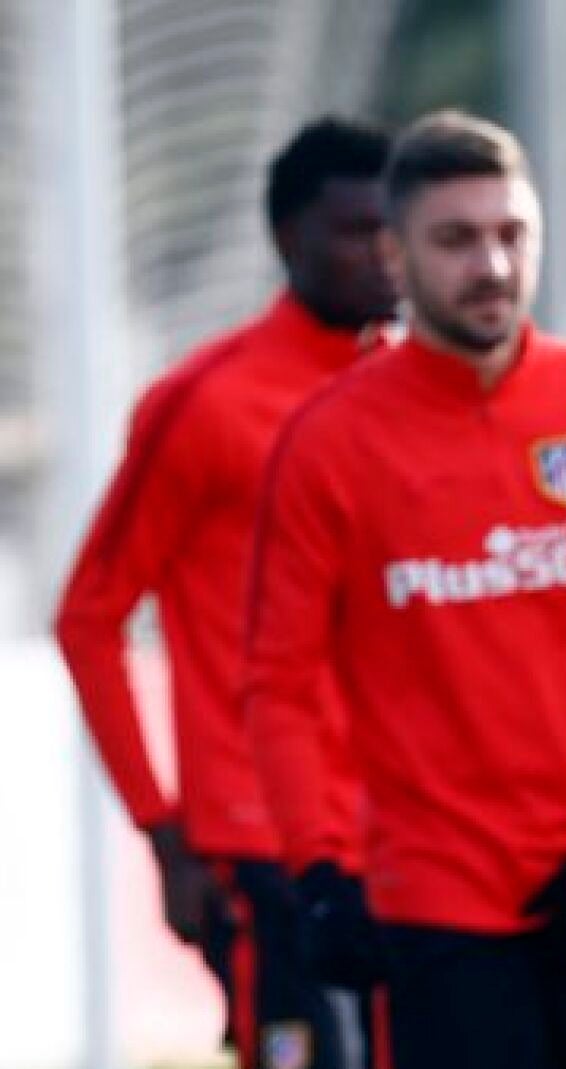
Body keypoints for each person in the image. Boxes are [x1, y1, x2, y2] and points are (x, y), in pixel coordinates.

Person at [244, 111, 566, 1069]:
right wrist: (319, 868)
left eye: (511, 234)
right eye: (456, 240)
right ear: (397, 252)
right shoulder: (330, 440)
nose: (492, 266)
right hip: (437, 905)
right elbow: (279, 684)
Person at [54, 116, 394, 1069]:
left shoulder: (417, 395)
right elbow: (88, 617)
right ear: (289, 236)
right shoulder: (205, 400)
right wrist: (163, 831)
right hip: (263, 845)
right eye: (355, 229)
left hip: (413, 838)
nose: (383, 252)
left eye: (393, 227)